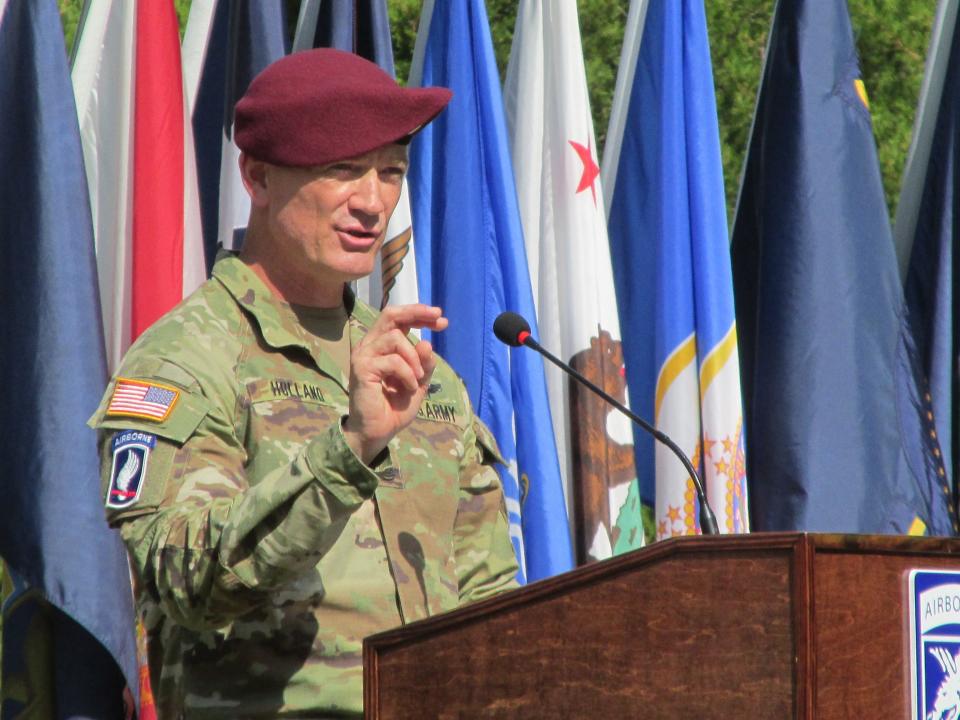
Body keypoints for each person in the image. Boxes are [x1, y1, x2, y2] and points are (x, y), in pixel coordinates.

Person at [91, 48, 519, 718]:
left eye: (390, 172)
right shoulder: (184, 361)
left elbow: (492, 599)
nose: (372, 203)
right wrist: (348, 452)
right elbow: (187, 582)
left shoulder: (419, 373)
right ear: (258, 177)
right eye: (342, 170)